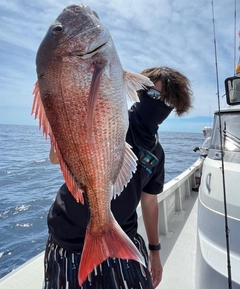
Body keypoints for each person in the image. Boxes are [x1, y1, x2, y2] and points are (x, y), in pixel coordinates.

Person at [44, 66, 193, 289]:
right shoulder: (109, 121)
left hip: (122, 237)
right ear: (139, 91)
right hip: (70, 238)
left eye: (168, 103)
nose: (160, 105)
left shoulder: (157, 152)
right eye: (154, 95)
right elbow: (56, 158)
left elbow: (150, 201)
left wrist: (154, 251)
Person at [192, 126, 212, 191]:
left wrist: (198, 148)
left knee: (202, 174)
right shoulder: (210, 139)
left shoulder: (209, 139)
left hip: (205, 158)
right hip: (205, 158)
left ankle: (199, 188)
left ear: (207, 132)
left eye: (204, 131)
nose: (203, 133)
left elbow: (207, 149)